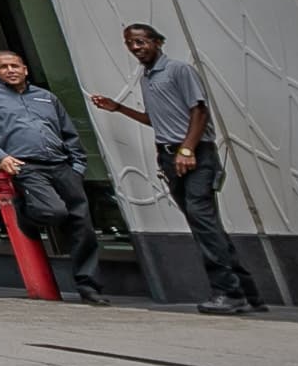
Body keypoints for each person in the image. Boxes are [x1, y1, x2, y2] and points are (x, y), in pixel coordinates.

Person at [93, 23, 265, 314]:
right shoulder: (147, 78)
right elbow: (156, 120)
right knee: (205, 225)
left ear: (157, 42)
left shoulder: (178, 70)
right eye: (130, 43)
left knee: (202, 220)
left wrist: (187, 149)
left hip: (195, 155)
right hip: (170, 157)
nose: (136, 48)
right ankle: (248, 294)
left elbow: (199, 110)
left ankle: (228, 293)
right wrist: (118, 108)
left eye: (140, 41)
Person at [0, 50, 104, 303]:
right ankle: (26, 215)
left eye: (15, 65)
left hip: (62, 166)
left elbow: (68, 133)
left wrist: (78, 166)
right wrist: (2, 156)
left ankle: (88, 286)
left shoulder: (46, 98)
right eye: (4, 67)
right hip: (25, 166)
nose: (10, 70)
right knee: (54, 212)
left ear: (25, 69)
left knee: (82, 227)